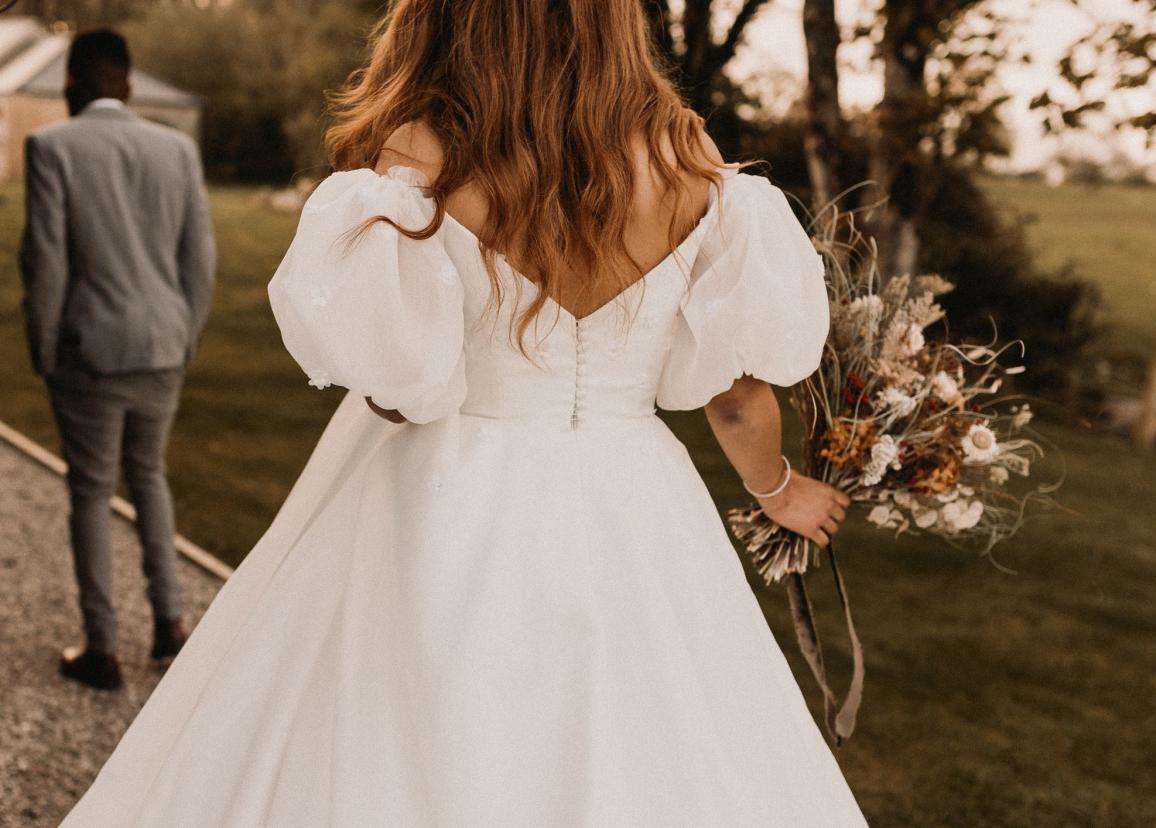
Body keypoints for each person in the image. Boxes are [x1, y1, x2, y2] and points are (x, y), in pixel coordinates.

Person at [62, 2, 866, 824]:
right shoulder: (684, 153)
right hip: (636, 494)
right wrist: (779, 491)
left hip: (444, 489)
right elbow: (733, 395)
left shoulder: (422, 147)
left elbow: (399, 393)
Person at [18, 29, 216, 691]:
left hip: (90, 353)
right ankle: (169, 623)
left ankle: (101, 647)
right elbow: (200, 260)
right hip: (162, 345)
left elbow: (45, 264)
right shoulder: (177, 150)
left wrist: (43, 347)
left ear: (72, 80)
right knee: (149, 478)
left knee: (91, 492)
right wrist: (184, 336)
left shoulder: (52, 147)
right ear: (127, 83)